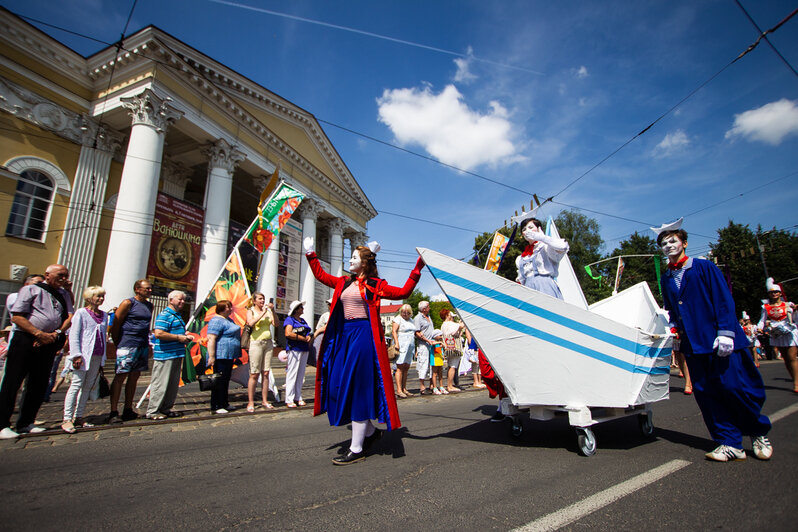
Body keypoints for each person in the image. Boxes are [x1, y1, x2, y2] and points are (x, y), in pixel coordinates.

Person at [654, 218, 772, 462]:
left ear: (684, 242)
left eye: (672, 241)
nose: (668, 246)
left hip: (720, 341)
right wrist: (674, 326)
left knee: (735, 387)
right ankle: (729, 442)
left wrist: (726, 332)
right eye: (663, 244)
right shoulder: (666, 277)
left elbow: (722, 299)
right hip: (695, 345)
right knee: (707, 393)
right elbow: (672, 308)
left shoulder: (704, 267)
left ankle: (758, 432)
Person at [304, 238, 424, 465]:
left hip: (363, 337)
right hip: (344, 337)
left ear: (365, 264)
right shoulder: (343, 282)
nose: (349, 260)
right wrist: (311, 253)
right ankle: (370, 432)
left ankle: (357, 447)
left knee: (357, 389)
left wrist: (417, 268)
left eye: (354, 258)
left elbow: (403, 291)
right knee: (338, 384)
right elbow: (321, 276)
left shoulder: (375, 284)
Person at [0, 264, 72, 439]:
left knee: (38, 383)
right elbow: (17, 316)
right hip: (26, 340)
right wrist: (38, 334)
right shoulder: (31, 289)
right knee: (13, 381)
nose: (63, 278)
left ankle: (26, 422)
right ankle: (2, 424)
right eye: (60, 275)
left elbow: (69, 315)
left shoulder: (63, 294)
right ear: (47, 275)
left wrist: (56, 334)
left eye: (66, 275)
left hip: (49, 341)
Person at [62, 286, 108, 433]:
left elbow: (104, 337)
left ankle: (79, 416)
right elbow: (74, 335)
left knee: (88, 386)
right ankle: (67, 418)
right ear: (89, 298)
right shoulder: (81, 313)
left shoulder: (104, 315)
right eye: (98, 296)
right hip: (82, 356)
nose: (101, 299)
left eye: (102, 296)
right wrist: (76, 355)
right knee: (76, 385)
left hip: (97, 355)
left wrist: (103, 358)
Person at [108, 279, 153, 423]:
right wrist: (117, 342)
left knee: (134, 377)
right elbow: (116, 323)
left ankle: (128, 408)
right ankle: (114, 410)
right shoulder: (128, 303)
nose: (150, 291)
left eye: (150, 288)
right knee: (121, 376)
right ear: (137, 289)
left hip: (141, 344)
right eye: (147, 288)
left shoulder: (149, 305)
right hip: (127, 343)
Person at [147, 290, 190, 420]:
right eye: (179, 299)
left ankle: (166, 408)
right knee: (161, 383)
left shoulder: (177, 315)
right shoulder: (164, 314)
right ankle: (153, 411)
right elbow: (159, 333)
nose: (182, 301)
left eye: (183, 299)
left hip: (176, 353)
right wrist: (179, 337)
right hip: (165, 355)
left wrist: (185, 335)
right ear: (171, 300)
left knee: (172, 384)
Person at [757, 278, 798, 393]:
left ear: (780, 293)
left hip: (789, 332)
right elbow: (762, 320)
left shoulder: (788, 305)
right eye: (771, 292)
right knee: (786, 358)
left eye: (776, 292)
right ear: (769, 294)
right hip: (776, 333)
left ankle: (796, 382)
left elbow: (795, 319)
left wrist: (795, 312)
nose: (774, 294)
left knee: (792, 357)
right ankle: (794, 377)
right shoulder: (766, 307)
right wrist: (759, 328)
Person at [515, 216, 569, 299]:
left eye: (530, 227)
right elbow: (521, 280)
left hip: (545, 285)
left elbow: (562, 247)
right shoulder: (521, 258)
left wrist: (542, 237)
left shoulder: (545, 247)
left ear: (538, 229)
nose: (527, 231)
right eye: (524, 229)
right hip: (528, 290)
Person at [246, 292, 280, 412]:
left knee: (265, 373)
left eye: (263, 299)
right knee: (254, 373)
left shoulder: (268, 312)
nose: (262, 301)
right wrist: (262, 314)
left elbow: (276, 324)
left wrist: (273, 311)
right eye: (260, 299)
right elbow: (250, 323)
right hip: (256, 343)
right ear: (254, 301)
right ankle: (251, 402)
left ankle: (264, 400)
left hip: (268, 343)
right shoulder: (250, 311)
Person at [206, 300, 241, 414]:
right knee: (219, 380)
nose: (230, 309)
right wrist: (211, 356)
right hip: (221, 354)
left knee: (225, 380)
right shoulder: (216, 320)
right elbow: (211, 338)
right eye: (228, 307)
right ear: (221, 308)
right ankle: (216, 405)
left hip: (229, 355)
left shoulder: (228, 320)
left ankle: (224, 402)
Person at [283, 300, 312, 408]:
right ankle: (289, 398)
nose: (302, 309)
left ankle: (298, 396)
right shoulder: (290, 320)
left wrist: (308, 337)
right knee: (292, 373)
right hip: (294, 348)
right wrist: (302, 338)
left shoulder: (303, 321)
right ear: (296, 310)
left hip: (304, 349)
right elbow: (288, 333)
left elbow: (308, 332)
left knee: (301, 374)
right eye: (300, 307)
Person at [391, 304, 417, 398]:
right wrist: (397, 343)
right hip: (402, 343)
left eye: (407, 312)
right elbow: (394, 331)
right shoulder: (398, 319)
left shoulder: (411, 320)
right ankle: (399, 389)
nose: (405, 314)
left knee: (406, 367)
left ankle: (404, 388)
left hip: (410, 344)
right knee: (400, 367)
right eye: (403, 312)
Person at [439, 308, 465, 393]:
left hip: (447, 347)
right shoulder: (450, 324)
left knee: (450, 365)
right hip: (454, 347)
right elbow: (456, 331)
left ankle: (449, 384)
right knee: (453, 366)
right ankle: (450, 385)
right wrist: (461, 322)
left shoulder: (443, 325)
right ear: (447, 315)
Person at [414, 301, 435, 394]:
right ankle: (422, 386)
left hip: (432, 344)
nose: (429, 308)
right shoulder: (418, 318)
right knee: (423, 364)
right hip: (424, 344)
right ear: (424, 309)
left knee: (432, 364)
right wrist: (427, 340)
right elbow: (417, 332)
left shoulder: (429, 317)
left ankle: (431, 384)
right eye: (428, 306)